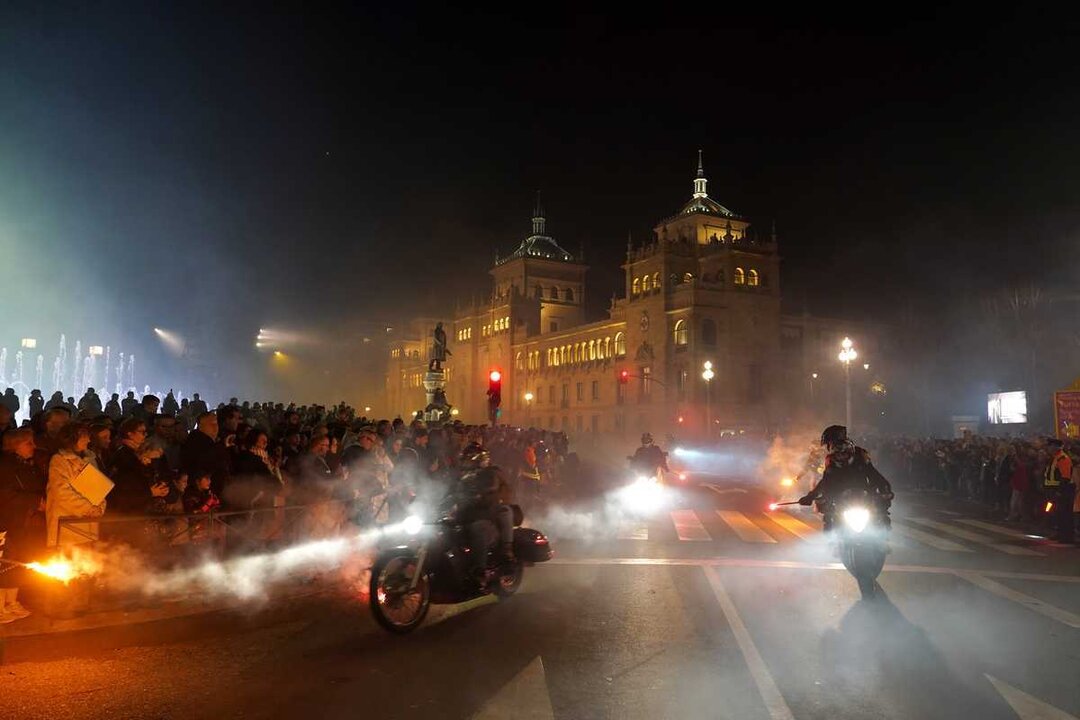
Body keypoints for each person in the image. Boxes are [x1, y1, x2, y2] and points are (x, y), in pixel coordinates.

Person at [798, 425, 893, 532]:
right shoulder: (830, 460)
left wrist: (885, 491)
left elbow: (874, 475)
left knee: (882, 518)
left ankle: (881, 544)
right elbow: (825, 481)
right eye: (837, 452)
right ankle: (834, 543)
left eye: (843, 452)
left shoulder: (861, 455)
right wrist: (810, 497)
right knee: (829, 521)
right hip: (840, 501)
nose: (840, 455)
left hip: (864, 497)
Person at [0, 429, 46, 622]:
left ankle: (12, 602)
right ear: (15, 445)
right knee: (6, 564)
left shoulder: (27, 465)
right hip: (8, 522)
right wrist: (36, 501)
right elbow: (6, 495)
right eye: (29, 443)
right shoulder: (5, 466)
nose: (33, 447)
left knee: (18, 562)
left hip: (24, 522)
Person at [454, 443, 514, 590]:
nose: (465, 463)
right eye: (465, 460)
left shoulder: (490, 473)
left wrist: (479, 495)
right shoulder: (463, 477)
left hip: (485, 516)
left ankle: (480, 572)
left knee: (478, 528)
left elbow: (491, 487)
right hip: (467, 514)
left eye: (469, 460)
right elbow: (451, 492)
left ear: (478, 461)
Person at [46, 422, 107, 547]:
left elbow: (98, 489)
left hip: (88, 525)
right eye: (84, 436)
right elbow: (61, 492)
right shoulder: (59, 460)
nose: (88, 440)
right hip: (67, 526)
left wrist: (99, 507)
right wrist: (88, 508)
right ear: (71, 438)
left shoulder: (88, 459)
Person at [1042, 437, 1074, 544]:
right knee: (1055, 512)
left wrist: (1060, 491)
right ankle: (1059, 532)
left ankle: (1066, 535)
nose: (1048, 448)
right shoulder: (1054, 458)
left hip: (1059, 490)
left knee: (1063, 513)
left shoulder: (1062, 458)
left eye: (1050, 446)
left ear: (1055, 447)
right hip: (1051, 489)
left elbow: (1065, 477)